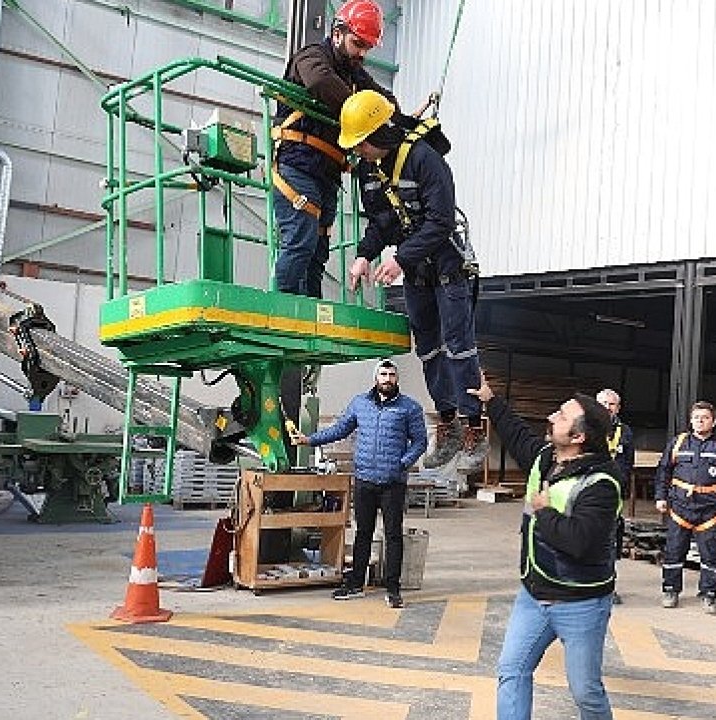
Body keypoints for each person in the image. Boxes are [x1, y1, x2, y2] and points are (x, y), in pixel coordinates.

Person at [338, 89, 488, 471]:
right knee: (429, 350)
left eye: (361, 144)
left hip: (448, 267)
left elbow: (440, 222)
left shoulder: (425, 159)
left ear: (379, 134)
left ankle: (474, 425)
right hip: (417, 272)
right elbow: (381, 221)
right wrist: (363, 255)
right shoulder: (368, 171)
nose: (358, 153)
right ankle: (449, 423)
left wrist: (401, 258)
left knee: (458, 345)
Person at [468, 376, 620, 720]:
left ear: (579, 437)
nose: (551, 417)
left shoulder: (603, 483)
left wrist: (545, 511)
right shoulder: (545, 458)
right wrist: (491, 400)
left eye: (562, 416)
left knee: (586, 693)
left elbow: (580, 541)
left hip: (581, 601)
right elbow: (516, 433)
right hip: (534, 594)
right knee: (512, 670)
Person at [272, 0, 391, 299]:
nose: (362, 53)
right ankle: (283, 308)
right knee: (300, 242)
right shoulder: (311, 57)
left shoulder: (355, 75)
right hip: (297, 165)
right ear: (337, 33)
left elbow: (386, 100)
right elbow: (320, 80)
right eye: (357, 43)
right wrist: (360, 108)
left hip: (327, 173)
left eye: (367, 47)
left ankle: (310, 310)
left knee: (317, 253)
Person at [290, 359, 427, 608]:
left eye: (391, 374)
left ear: (397, 379)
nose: (387, 378)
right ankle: (355, 585)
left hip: (392, 483)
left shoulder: (410, 408)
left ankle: (393, 589)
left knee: (393, 535)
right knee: (363, 533)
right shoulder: (360, 404)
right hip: (365, 480)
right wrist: (310, 440)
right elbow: (340, 429)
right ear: (375, 378)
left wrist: (402, 463)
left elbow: (420, 442)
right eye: (383, 374)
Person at [654, 401, 716, 615]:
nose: (699, 421)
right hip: (680, 507)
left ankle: (709, 594)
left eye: (704, 418)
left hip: (711, 510)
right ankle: (670, 590)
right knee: (674, 551)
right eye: (696, 417)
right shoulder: (678, 442)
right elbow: (663, 471)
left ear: (713, 421)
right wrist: (660, 497)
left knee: (710, 555)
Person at [597, 388, 633, 604]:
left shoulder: (625, 432)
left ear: (617, 408)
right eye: (602, 403)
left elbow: (628, 463)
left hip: (612, 497)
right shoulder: (583, 428)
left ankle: (608, 587)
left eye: (611, 405)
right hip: (586, 495)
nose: (607, 408)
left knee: (609, 543)